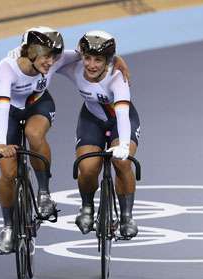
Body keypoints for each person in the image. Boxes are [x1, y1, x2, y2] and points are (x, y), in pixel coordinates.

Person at [0, 26, 131, 253]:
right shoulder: (7, 67)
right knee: (8, 174)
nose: (51, 63)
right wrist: (1, 143)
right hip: (9, 111)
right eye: (45, 56)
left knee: (33, 134)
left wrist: (118, 59)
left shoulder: (56, 60)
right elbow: (1, 107)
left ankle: (44, 194)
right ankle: (8, 227)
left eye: (53, 56)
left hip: (39, 104)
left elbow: (90, 54)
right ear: (30, 52)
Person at [57, 30, 141, 238]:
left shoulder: (117, 77)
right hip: (91, 119)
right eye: (87, 58)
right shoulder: (74, 67)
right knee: (86, 167)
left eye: (98, 60)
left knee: (122, 163)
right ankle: (86, 208)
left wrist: (122, 146)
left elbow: (122, 113)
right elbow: (47, 58)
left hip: (121, 120)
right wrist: (17, 54)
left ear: (108, 60)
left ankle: (127, 216)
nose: (92, 65)